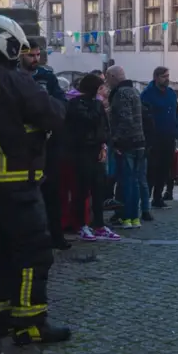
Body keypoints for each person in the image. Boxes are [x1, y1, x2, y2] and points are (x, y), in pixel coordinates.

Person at [0, 14, 70, 344]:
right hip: (16, 186)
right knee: (33, 253)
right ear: (6, 46)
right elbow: (53, 114)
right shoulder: (13, 81)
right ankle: (30, 322)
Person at [20, 44, 70, 250]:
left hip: (48, 142)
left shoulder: (47, 77)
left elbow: (61, 102)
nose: (35, 58)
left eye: (38, 54)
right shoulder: (13, 77)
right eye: (31, 55)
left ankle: (56, 235)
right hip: (24, 146)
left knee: (52, 189)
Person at [64, 73, 120, 242]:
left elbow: (105, 127)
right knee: (81, 190)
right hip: (81, 152)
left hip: (96, 150)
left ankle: (99, 224)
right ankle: (81, 224)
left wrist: (104, 145)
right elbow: (86, 122)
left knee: (98, 189)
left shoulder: (97, 105)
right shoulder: (76, 104)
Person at [105, 65, 150, 228]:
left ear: (112, 77)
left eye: (107, 78)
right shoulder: (134, 91)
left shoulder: (121, 94)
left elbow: (125, 120)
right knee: (135, 181)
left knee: (126, 182)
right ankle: (134, 218)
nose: (107, 82)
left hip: (127, 144)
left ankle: (126, 218)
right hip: (139, 141)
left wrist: (116, 141)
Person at [141, 66, 178, 208]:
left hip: (169, 136)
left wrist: (175, 131)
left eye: (168, 76)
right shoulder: (147, 94)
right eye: (164, 76)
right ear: (156, 77)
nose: (167, 79)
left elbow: (175, 112)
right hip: (153, 137)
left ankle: (158, 197)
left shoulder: (171, 93)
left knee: (164, 168)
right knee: (152, 169)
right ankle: (145, 200)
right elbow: (143, 115)